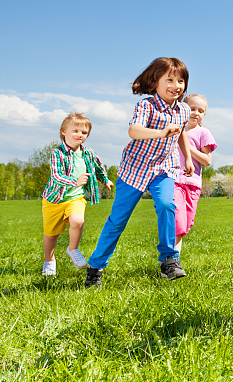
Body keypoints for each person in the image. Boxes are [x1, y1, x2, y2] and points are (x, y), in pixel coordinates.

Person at [85, 57, 193, 288]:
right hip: (135, 168)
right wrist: (162, 132)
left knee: (166, 205)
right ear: (155, 82)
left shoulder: (184, 109)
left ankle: (169, 260)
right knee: (118, 220)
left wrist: (189, 158)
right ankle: (95, 267)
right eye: (170, 79)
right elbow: (133, 130)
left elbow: (182, 132)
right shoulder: (146, 105)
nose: (177, 85)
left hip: (164, 167)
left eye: (181, 80)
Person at [40, 113, 113, 276]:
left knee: (78, 220)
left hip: (76, 198)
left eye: (84, 132)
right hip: (54, 199)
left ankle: (72, 248)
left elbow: (99, 168)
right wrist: (75, 181)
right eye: (75, 131)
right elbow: (56, 175)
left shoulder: (88, 154)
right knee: (51, 234)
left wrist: (105, 179)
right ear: (63, 132)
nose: (79, 135)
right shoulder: (57, 153)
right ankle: (49, 261)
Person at [174, 94, 216, 254]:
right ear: (183, 108)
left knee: (185, 224)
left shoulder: (203, 133)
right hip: (174, 181)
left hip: (193, 184)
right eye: (192, 108)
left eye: (201, 110)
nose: (196, 113)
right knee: (178, 220)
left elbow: (207, 160)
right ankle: (171, 260)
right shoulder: (175, 129)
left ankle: (172, 258)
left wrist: (188, 147)